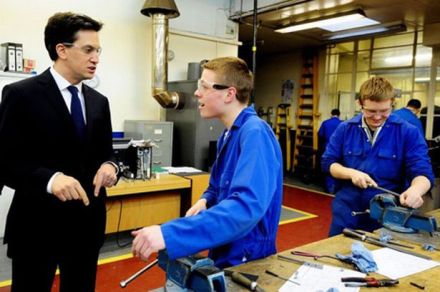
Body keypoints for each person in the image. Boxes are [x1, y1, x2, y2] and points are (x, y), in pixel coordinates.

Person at [0, 12, 118, 292]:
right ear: (61, 50)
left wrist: (111, 167)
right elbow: (5, 161)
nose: (96, 58)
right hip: (37, 227)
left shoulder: (99, 102)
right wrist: (51, 180)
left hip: (86, 226)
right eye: (88, 49)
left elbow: (107, 153)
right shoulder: (21, 94)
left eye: (98, 50)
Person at [131, 57, 283, 268]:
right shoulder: (228, 135)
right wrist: (206, 200)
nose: (196, 93)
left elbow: (246, 207)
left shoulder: (254, 133)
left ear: (229, 94)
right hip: (225, 248)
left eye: (204, 86)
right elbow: (219, 186)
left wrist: (169, 234)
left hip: (247, 256)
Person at [321, 77, 434, 236]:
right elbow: (328, 163)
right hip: (346, 210)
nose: (377, 117)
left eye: (384, 111)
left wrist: (416, 190)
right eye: (371, 111)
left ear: (392, 103)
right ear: (360, 104)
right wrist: (351, 173)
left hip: (388, 214)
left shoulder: (407, 132)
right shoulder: (345, 129)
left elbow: (423, 172)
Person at [318, 108, 342, 193]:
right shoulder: (342, 124)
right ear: (339, 115)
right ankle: (336, 187)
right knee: (338, 167)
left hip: (327, 147)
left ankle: (329, 187)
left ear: (331, 114)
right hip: (340, 149)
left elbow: (320, 135)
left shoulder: (325, 123)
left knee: (328, 167)